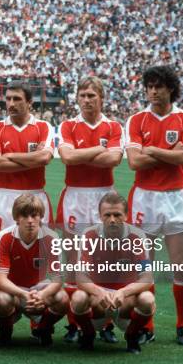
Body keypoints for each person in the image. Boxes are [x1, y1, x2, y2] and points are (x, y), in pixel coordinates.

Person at [125, 65, 183, 346]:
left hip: (177, 196)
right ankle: (148, 325)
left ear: (170, 89)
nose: (153, 91)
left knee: (181, 266)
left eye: (158, 86)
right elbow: (134, 161)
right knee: (145, 267)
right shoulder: (136, 120)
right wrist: (171, 153)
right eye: (149, 86)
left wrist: (152, 150)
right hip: (145, 196)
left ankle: (182, 326)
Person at [56, 76, 124, 344]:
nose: (87, 100)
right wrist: (98, 149)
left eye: (92, 95)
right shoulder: (68, 125)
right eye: (83, 95)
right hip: (75, 195)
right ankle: (74, 324)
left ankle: (106, 322)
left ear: (101, 98)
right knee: (73, 262)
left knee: (106, 261)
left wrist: (82, 153)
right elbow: (67, 158)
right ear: (77, 98)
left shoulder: (113, 126)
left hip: (105, 196)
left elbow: (115, 159)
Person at [70, 193, 156, 354]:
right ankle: (88, 334)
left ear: (126, 215)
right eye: (107, 215)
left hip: (125, 302)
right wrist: (98, 291)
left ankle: (132, 336)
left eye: (117, 215)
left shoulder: (137, 236)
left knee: (147, 299)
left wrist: (124, 292)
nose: (112, 219)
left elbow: (147, 277)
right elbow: (80, 277)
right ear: (100, 216)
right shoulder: (89, 235)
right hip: (98, 301)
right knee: (78, 297)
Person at [0, 194, 69, 346]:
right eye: (24, 215)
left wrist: (42, 295)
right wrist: (23, 294)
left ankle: (43, 329)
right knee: (1, 299)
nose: (30, 221)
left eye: (34, 215)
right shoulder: (5, 237)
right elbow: (1, 279)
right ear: (16, 217)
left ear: (41, 216)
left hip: (37, 288)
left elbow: (57, 279)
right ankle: (5, 331)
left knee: (63, 299)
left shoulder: (51, 238)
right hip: (14, 290)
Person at [0, 81, 54, 234]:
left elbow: (44, 158)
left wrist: (9, 155)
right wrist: (32, 158)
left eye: (17, 99)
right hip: (5, 196)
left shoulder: (43, 127)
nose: (11, 103)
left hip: (35, 196)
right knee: (3, 248)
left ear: (30, 102)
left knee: (39, 251)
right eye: (8, 99)